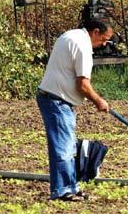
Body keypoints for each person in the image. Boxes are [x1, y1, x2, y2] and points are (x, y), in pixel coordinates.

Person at [36, 19, 113, 201]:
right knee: (63, 148)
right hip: (56, 100)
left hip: (55, 99)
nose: (104, 44)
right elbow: (83, 85)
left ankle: (71, 187)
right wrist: (99, 101)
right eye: (104, 39)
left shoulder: (71, 35)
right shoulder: (83, 46)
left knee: (69, 147)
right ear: (95, 32)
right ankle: (62, 191)